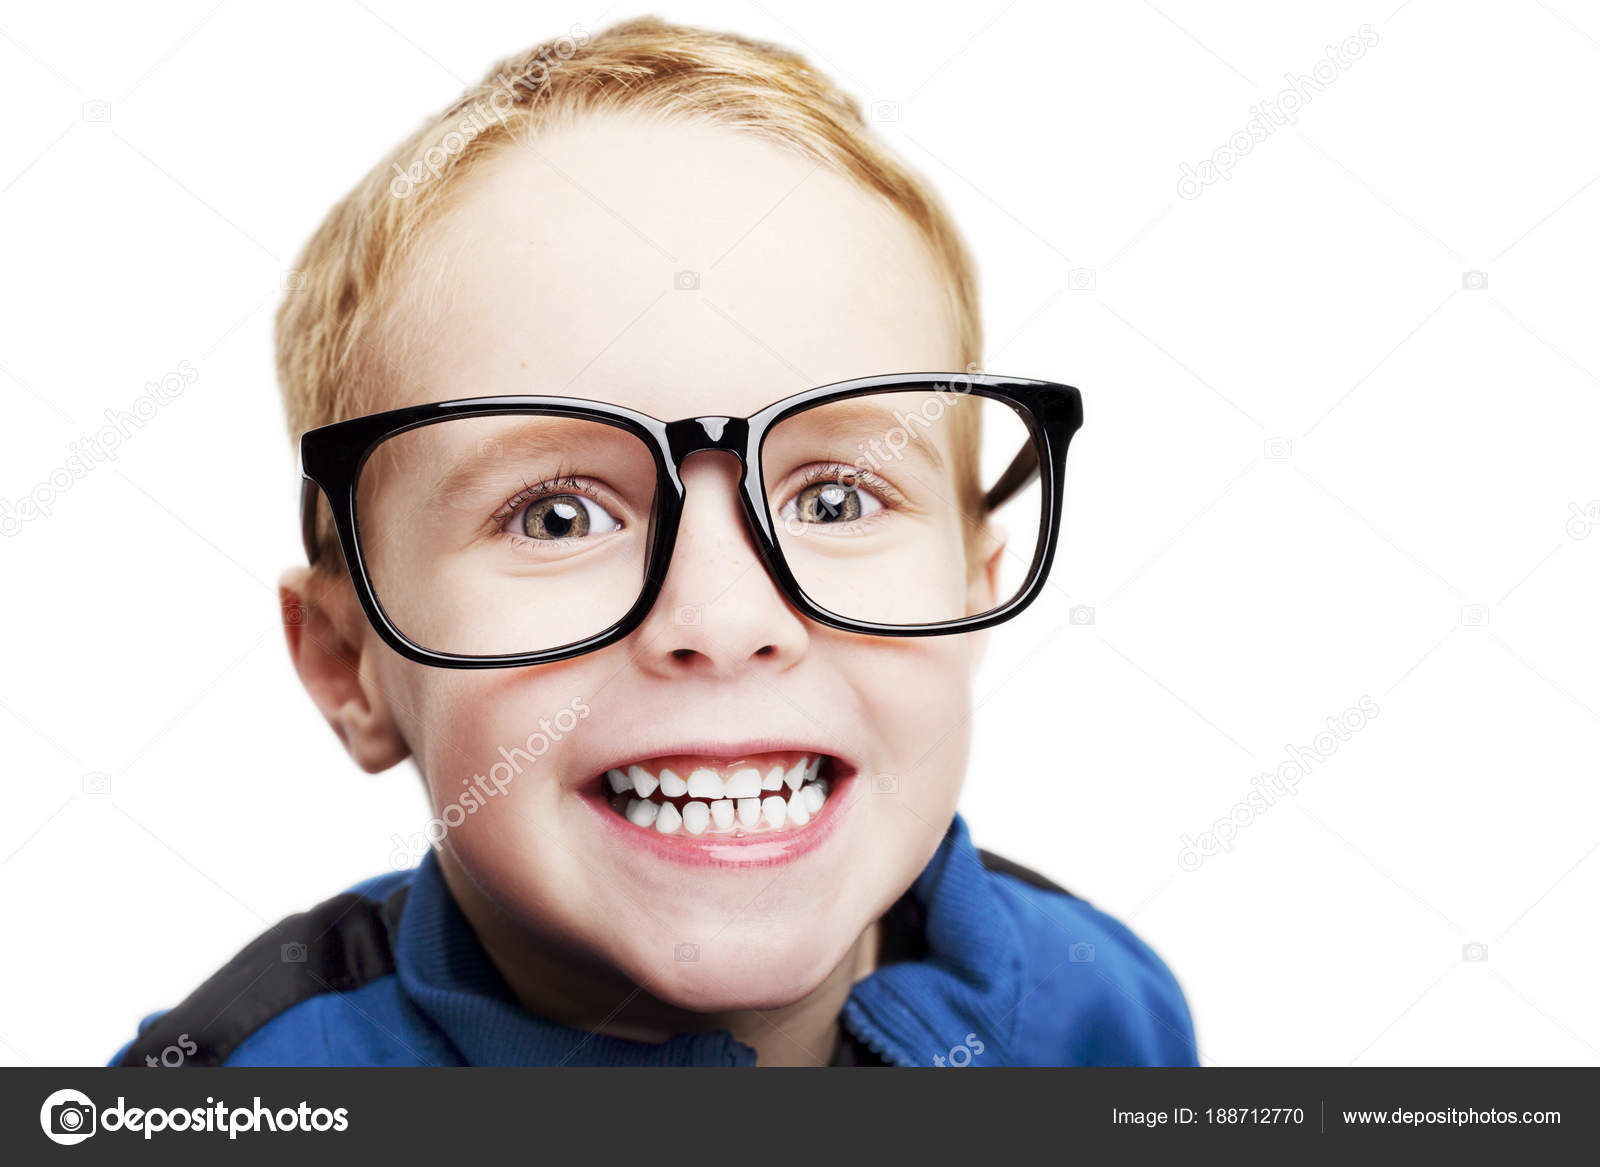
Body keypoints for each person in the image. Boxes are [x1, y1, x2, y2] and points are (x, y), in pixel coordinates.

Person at [110, 15, 1196, 1068]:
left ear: (971, 595)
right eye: (557, 515)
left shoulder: (1103, 1009)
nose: (723, 621)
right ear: (351, 665)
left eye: (833, 500)